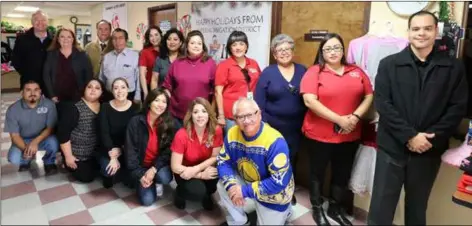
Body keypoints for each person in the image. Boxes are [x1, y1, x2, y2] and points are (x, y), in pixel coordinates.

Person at [368, 11, 468, 225]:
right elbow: (383, 104)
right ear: (409, 32)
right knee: (380, 209)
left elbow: (457, 108)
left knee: (417, 208)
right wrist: (410, 136)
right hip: (392, 148)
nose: (421, 33)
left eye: (427, 28)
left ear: (436, 31)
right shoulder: (389, 64)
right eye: (416, 29)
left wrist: (428, 138)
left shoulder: (452, 67)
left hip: (428, 151)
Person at [300, 33, 373, 226]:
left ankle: (335, 208)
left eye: (337, 47)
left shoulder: (356, 71)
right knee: (317, 173)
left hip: (350, 135)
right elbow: (309, 100)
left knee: (342, 173)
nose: (333, 52)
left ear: (343, 50)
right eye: (328, 49)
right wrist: (340, 120)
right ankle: (317, 209)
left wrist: (355, 117)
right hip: (320, 135)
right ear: (322, 52)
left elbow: (369, 96)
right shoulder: (315, 71)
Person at [217, 97, 294, 225]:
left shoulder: (275, 141)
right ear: (235, 120)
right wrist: (232, 186)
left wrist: (243, 191)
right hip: (248, 179)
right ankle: (240, 221)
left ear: (259, 114)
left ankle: (286, 212)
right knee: (222, 185)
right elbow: (223, 161)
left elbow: (278, 181)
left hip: (275, 192)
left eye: (250, 115)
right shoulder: (231, 133)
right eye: (241, 117)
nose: (246, 121)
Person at [254, 34, 307, 205]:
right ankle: (271, 190)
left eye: (287, 49)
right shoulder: (268, 73)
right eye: (279, 50)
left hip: (296, 127)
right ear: (274, 54)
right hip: (272, 127)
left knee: (292, 159)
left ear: (293, 51)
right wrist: (264, 125)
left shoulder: (303, 71)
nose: (284, 53)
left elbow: (310, 97)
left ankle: (288, 189)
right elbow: (259, 101)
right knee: (273, 159)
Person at [170, 97, 223, 210]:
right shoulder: (181, 135)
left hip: (204, 166)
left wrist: (197, 169)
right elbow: (175, 167)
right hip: (184, 171)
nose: (200, 115)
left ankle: (207, 194)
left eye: (204, 111)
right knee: (196, 192)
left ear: (209, 114)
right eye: (195, 112)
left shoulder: (216, 130)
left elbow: (215, 156)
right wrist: (200, 175)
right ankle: (180, 193)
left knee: (217, 173)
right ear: (191, 116)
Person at [125, 88, 175, 206]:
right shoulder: (136, 122)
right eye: (157, 100)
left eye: (164, 102)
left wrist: (153, 169)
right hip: (140, 166)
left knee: (165, 177)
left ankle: (155, 180)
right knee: (147, 201)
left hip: (157, 166)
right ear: (149, 102)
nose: (160, 105)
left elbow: (167, 151)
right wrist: (140, 175)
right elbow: (130, 152)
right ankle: (144, 181)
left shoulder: (169, 123)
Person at [162, 30, 216, 128]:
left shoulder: (210, 63)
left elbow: (216, 90)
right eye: (192, 43)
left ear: (203, 46)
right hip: (177, 116)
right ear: (187, 45)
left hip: (201, 117)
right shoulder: (177, 63)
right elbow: (167, 86)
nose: (196, 46)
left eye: (199, 43)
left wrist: (211, 112)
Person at [5, 80, 58, 174]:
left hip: (43, 138)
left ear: (40, 92)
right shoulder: (13, 109)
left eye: (36, 89)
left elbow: (50, 129)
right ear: (22, 93)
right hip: (23, 139)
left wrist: (35, 142)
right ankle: (26, 161)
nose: (33, 93)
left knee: (54, 142)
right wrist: (27, 150)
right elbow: (14, 136)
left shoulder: (49, 105)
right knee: (14, 158)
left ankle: (49, 162)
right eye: (28, 90)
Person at [57, 78, 104, 183]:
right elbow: (63, 134)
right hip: (77, 154)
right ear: (84, 89)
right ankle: (66, 161)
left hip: (95, 153)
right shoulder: (74, 107)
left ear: (101, 92)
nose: (93, 90)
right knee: (87, 177)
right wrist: (68, 156)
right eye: (89, 87)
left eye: (97, 88)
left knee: (106, 172)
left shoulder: (104, 107)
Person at [215, 31, 261, 134]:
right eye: (234, 45)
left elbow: (259, 85)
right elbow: (218, 92)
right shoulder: (224, 65)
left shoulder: (253, 63)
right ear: (230, 48)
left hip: (251, 114)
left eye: (241, 44)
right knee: (233, 145)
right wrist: (221, 116)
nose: (238, 47)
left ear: (246, 46)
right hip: (232, 116)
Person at [99, 77, 140, 188]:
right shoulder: (105, 107)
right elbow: (104, 132)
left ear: (128, 89)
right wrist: (112, 155)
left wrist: (121, 149)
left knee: (131, 181)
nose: (119, 91)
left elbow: (135, 135)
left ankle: (122, 171)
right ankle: (109, 173)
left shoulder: (136, 108)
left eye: (123, 87)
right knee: (108, 170)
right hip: (109, 147)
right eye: (116, 88)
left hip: (127, 148)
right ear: (112, 91)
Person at [43, 28, 93, 116]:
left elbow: (89, 75)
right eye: (62, 37)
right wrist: (52, 95)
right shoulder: (51, 54)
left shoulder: (82, 54)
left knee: (75, 120)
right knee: (58, 121)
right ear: (58, 39)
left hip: (77, 96)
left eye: (69, 37)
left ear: (73, 39)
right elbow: (46, 75)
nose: (65, 39)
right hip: (57, 96)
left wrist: (85, 95)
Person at [11, 10, 53, 90]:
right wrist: (27, 74)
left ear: (47, 22)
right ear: (32, 22)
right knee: (30, 102)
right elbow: (15, 60)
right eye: (37, 20)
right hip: (29, 83)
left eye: (43, 20)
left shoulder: (54, 40)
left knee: (50, 103)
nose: (40, 22)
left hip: (51, 84)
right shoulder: (22, 39)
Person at [100, 28, 141, 103]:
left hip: (129, 96)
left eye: (120, 38)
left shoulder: (135, 56)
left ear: (126, 40)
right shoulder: (106, 57)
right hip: (109, 95)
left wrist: (137, 96)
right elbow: (101, 78)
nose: (117, 41)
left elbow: (138, 78)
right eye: (114, 38)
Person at [139, 26, 162, 100]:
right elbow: (142, 74)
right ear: (148, 38)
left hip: (165, 87)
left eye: (156, 34)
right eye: (151, 36)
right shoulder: (145, 52)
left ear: (161, 35)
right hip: (150, 87)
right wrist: (146, 93)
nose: (154, 38)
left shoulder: (167, 50)